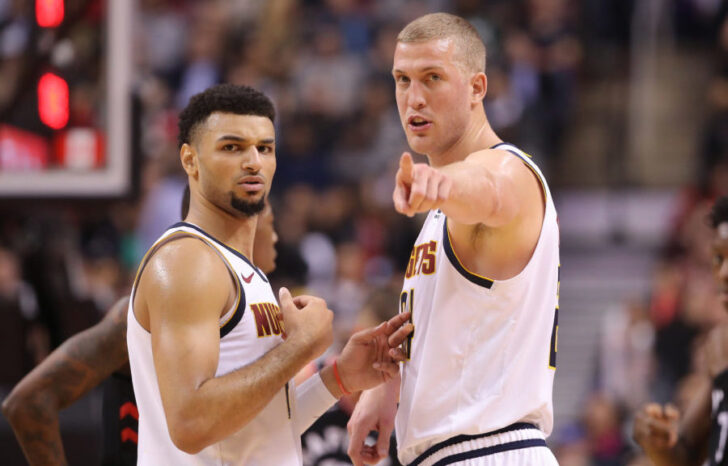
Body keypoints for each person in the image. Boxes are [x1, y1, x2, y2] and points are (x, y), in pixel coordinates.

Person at [127, 83, 412, 465]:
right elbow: (191, 424)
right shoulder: (187, 261)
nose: (253, 162)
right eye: (232, 147)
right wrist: (299, 349)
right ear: (190, 160)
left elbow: (259, 429)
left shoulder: (244, 272)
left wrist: (339, 377)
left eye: (264, 148)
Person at [346, 13, 560, 465]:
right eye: (402, 80)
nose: (414, 98)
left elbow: (489, 190)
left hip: (489, 450)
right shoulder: (439, 216)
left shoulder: (510, 171)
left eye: (433, 78)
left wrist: (442, 185)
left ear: (478, 88)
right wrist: (391, 385)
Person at [0, 189, 279, 466]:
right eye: (269, 222)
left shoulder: (251, 320)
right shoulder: (143, 315)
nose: (276, 236)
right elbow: (29, 402)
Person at [633, 196, 728, 465]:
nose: (723, 273)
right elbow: (684, 452)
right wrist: (659, 445)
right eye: (719, 258)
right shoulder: (721, 344)